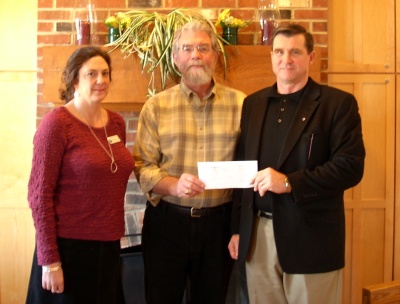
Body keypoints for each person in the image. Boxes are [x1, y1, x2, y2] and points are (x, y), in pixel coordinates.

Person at [228, 23, 365, 304]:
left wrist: (290, 183)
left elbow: (349, 167)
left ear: (311, 57)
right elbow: (244, 168)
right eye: (279, 51)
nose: (285, 59)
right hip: (258, 237)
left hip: (311, 237)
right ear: (271, 56)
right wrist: (237, 229)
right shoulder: (252, 104)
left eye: (295, 52)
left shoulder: (337, 104)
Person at [133, 20, 246, 303]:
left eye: (203, 48)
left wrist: (240, 228)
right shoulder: (156, 106)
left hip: (219, 227)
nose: (195, 54)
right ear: (175, 58)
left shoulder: (242, 105)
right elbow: (142, 166)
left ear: (215, 56)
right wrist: (173, 185)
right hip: (167, 225)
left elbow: (250, 165)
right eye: (187, 48)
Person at [26, 46, 135, 304]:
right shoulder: (56, 124)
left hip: (107, 247)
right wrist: (50, 261)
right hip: (68, 249)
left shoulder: (116, 123)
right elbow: (39, 196)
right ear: (75, 79)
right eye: (91, 74)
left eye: (106, 73)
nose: (101, 81)